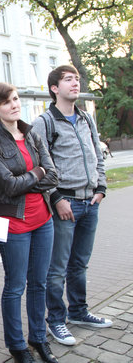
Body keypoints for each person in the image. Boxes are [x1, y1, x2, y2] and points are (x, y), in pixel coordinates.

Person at [32, 65, 111, 346]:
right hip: (65, 203)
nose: (75, 83)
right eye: (68, 80)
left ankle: (79, 312)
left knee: (80, 264)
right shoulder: (45, 122)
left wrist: (101, 188)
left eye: (76, 79)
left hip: (91, 202)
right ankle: (55, 320)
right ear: (54, 88)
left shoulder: (87, 119)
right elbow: (40, 165)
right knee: (57, 268)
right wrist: (56, 198)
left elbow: (97, 155)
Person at [0, 83, 58, 363]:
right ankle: (16, 346)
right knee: (15, 286)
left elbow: (54, 176)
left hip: (44, 219)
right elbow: (8, 186)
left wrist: (32, 177)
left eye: (15, 99)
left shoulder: (33, 134)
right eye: (6, 102)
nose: (14, 105)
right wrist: (37, 172)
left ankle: (38, 338)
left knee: (39, 282)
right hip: (12, 222)